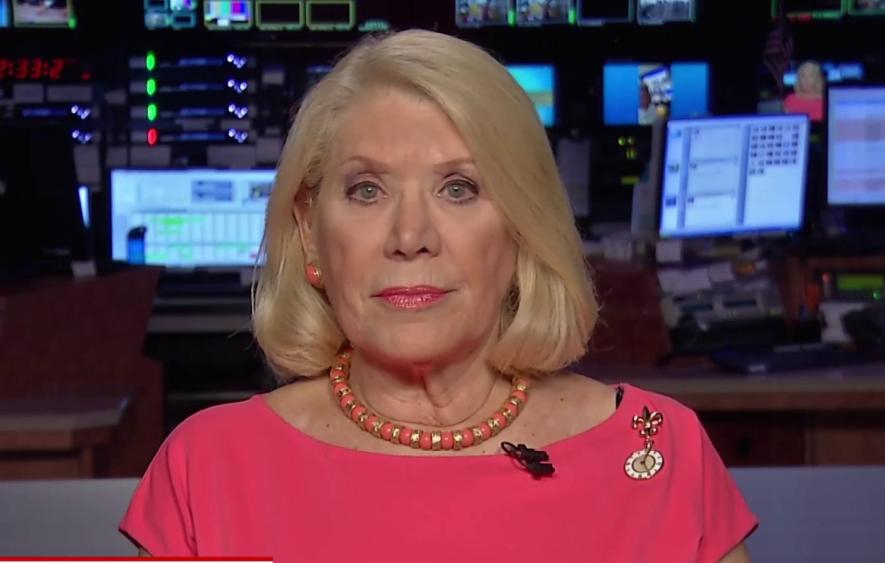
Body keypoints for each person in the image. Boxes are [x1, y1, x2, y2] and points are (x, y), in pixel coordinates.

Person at [119, 30, 757, 562]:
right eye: (367, 190)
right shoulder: (208, 468)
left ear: (521, 228)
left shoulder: (658, 450)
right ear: (310, 231)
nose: (410, 237)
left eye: (458, 189)